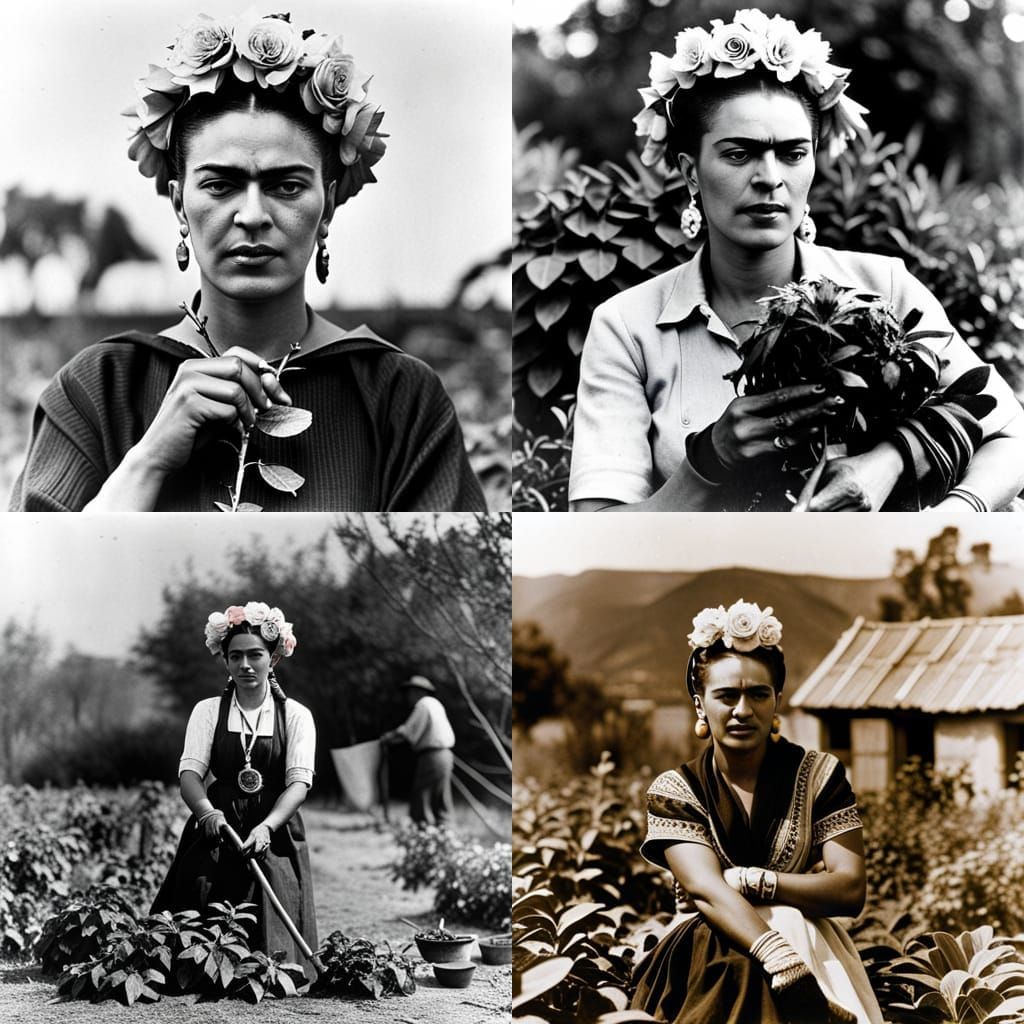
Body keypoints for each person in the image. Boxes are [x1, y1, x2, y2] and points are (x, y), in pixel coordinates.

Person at [9, 10, 485, 512]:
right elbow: (30, 581)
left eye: (286, 186)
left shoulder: (399, 397)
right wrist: (147, 460)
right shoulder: (99, 387)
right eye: (221, 184)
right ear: (178, 203)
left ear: (325, 203)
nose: (253, 215)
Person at [568, 9, 1024, 512]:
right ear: (690, 172)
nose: (770, 177)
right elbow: (598, 532)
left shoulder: (882, 285)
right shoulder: (626, 328)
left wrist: (911, 489)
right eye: (740, 154)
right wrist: (710, 461)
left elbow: (1010, 436)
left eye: (791, 153)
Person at [631, 600, 881, 1024]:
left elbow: (849, 890)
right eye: (726, 696)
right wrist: (779, 957)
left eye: (759, 694)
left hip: (808, 939)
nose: (743, 711)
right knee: (736, 969)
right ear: (700, 705)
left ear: (776, 700)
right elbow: (706, 891)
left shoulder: (820, 775)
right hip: (706, 948)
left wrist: (749, 880)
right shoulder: (676, 790)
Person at [152, 601, 318, 975]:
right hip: (218, 825)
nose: (246, 665)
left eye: (255, 655)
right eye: (236, 656)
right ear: (225, 661)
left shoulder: (295, 715)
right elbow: (190, 775)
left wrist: (267, 826)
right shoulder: (208, 711)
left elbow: (299, 784)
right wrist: (206, 811)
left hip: (274, 826)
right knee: (195, 932)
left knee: (275, 957)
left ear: (272, 658)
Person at [381, 675, 455, 826]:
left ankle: (422, 831)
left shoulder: (423, 705)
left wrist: (389, 737)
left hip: (432, 755)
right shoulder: (436, 704)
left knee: (421, 795)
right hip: (445, 754)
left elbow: (408, 731)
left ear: (418, 692)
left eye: (410, 692)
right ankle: (444, 829)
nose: (409, 696)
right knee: (440, 796)